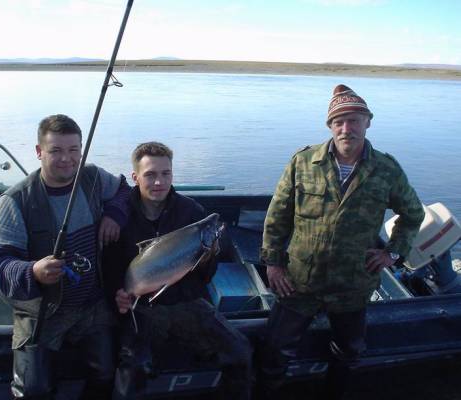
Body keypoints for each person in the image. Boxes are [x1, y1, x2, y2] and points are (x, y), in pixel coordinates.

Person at [259, 84, 425, 399]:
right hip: (299, 280)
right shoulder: (303, 162)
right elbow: (277, 215)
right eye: (339, 121)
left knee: (348, 353)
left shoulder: (387, 170)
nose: (346, 128)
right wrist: (274, 264)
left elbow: (413, 214)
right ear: (330, 126)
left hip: (352, 283)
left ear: (368, 122)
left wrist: (393, 253)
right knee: (274, 351)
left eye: (354, 120)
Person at [0, 114, 130, 400]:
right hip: (43, 311)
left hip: (93, 304)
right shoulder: (15, 200)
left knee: (106, 373)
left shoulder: (93, 177)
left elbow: (124, 190)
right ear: (39, 151)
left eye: (74, 150)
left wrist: (114, 214)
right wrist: (33, 271)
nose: (66, 159)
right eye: (56, 150)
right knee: (33, 390)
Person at [109, 141, 252, 400]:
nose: (159, 182)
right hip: (141, 308)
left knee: (240, 351)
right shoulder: (119, 215)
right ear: (135, 177)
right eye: (150, 175)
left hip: (187, 302)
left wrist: (208, 257)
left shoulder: (191, 211)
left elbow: (205, 277)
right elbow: (108, 267)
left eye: (166, 174)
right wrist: (117, 293)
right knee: (131, 370)